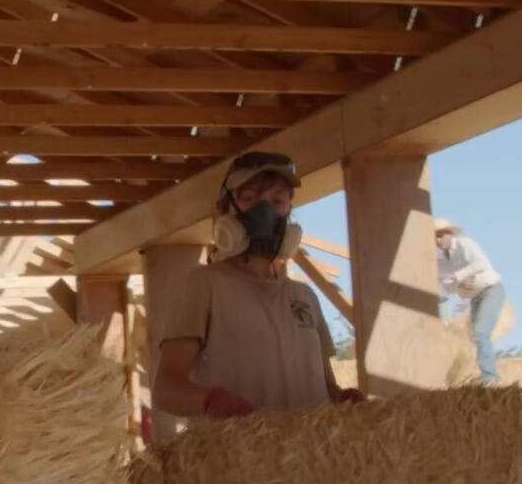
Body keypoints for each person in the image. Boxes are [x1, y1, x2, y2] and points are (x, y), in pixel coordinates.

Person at [153, 151, 364, 421]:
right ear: (227, 210)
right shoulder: (205, 285)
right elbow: (166, 389)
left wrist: (342, 399)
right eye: (249, 198)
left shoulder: (305, 296)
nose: (264, 212)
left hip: (309, 459)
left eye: (277, 200)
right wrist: (209, 400)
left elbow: (325, 388)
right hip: (240, 458)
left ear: (289, 210)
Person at [434, 218, 504, 381]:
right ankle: (486, 374)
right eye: (435, 237)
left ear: (450, 234)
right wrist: (459, 282)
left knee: (480, 332)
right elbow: (447, 286)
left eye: (440, 235)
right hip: (475, 297)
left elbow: (480, 263)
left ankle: (490, 376)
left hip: (491, 290)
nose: (438, 240)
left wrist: (458, 277)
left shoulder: (465, 244)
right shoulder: (441, 260)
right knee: (476, 335)